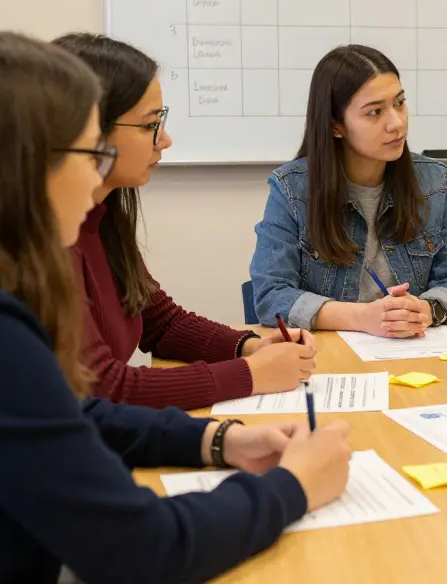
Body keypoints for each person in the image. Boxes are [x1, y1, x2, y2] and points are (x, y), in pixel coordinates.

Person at [0, 27, 351, 583]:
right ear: (20, 165)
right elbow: (144, 550)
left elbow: (69, 415)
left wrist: (217, 438)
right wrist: (292, 487)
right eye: (90, 151)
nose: (98, 173)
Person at [53, 33, 315, 411]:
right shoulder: (51, 239)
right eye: (149, 125)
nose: (165, 140)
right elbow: (103, 388)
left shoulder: (101, 217)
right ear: (89, 131)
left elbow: (161, 322)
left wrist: (249, 346)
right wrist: (251, 373)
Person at [249, 45, 447, 337]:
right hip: (330, 357)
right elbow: (271, 296)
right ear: (336, 126)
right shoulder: (291, 189)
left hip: (414, 353)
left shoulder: (435, 181)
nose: (397, 123)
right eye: (375, 112)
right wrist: (363, 317)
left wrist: (425, 309)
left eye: (399, 103)